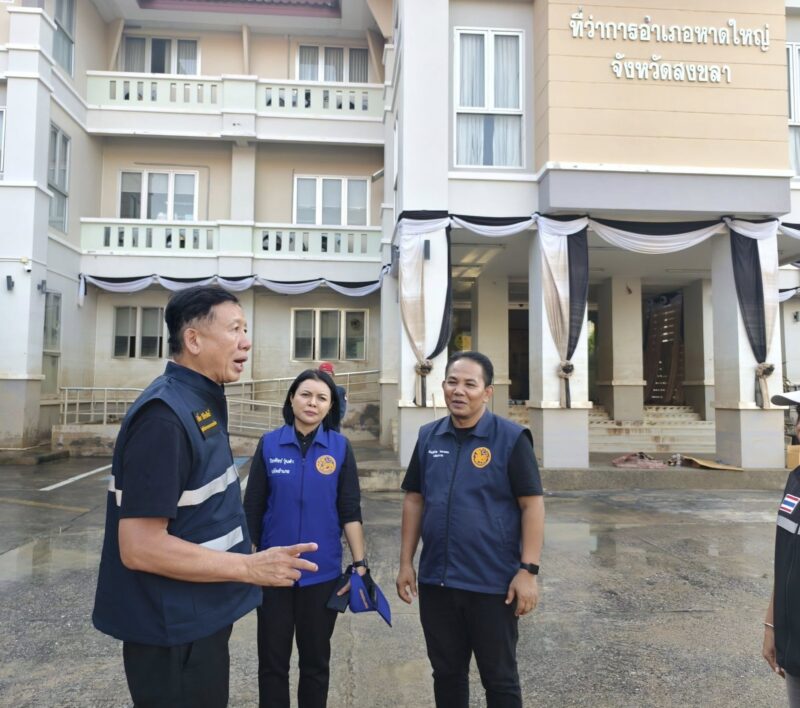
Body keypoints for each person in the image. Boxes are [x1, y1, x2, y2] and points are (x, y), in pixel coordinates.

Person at [92, 286, 319, 708]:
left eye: (246, 329)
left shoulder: (201, 400)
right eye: (235, 329)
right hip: (172, 630)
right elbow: (140, 547)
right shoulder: (164, 416)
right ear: (194, 340)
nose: (246, 341)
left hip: (197, 619)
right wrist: (249, 566)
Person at [396, 351, 545, 708]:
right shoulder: (429, 437)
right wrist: (405, 563)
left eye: (469, 384)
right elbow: (414, 499)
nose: (458, 390)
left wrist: (528, 571)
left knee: (500, 679)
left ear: (487, 392)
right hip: (438, 582)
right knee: (446, 675)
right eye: (451, 382)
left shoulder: (510, 439)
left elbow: (532, 505)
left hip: (492, 585)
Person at [244, 368, 367, 708]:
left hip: (321, 574)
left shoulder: (340, 448)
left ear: (330, 407)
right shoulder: (269, 444)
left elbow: (350, 510)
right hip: (273, 573)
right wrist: (248, 562)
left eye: (322, 398)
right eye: (306, 394)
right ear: (291, 399)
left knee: (315, 665)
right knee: (272, 664)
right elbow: (252, 507)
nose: (312, 402)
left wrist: (360, 565)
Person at [763, 390, 800, 706]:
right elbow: (785, 559)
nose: (799, 427)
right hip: (794, 648)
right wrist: (771, 625)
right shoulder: (796, 480)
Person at [318, 361, 347, 432]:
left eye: (328, 374)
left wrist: (330, 422)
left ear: (333, 375)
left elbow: (341, 411)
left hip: (332, 426)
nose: (326, 377)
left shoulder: (339, 391)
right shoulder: (314, 390)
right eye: (323, 374)